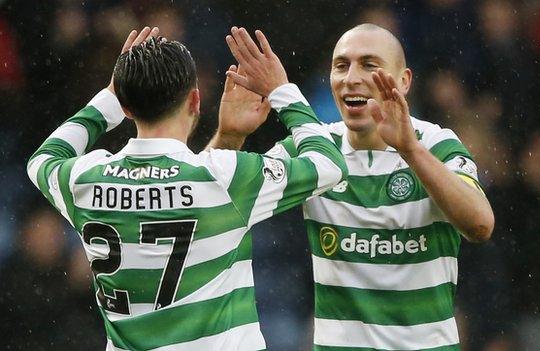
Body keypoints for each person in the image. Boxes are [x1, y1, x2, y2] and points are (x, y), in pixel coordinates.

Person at [26, 26, 347, 350]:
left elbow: (42, 159)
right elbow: (329, 164)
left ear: (126, 108)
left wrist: (109, 97)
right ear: (195, 100)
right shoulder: (224, 177)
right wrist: (281, 90)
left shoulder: (86, 179)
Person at [210, 24, 494, 350]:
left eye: (369, 65)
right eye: (341, 66)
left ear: (404, 81)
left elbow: (480, 225)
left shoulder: (436, 144)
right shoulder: (315, 150)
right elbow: (209, 207)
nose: (351, 78)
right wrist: (229, 136)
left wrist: (411, 152)